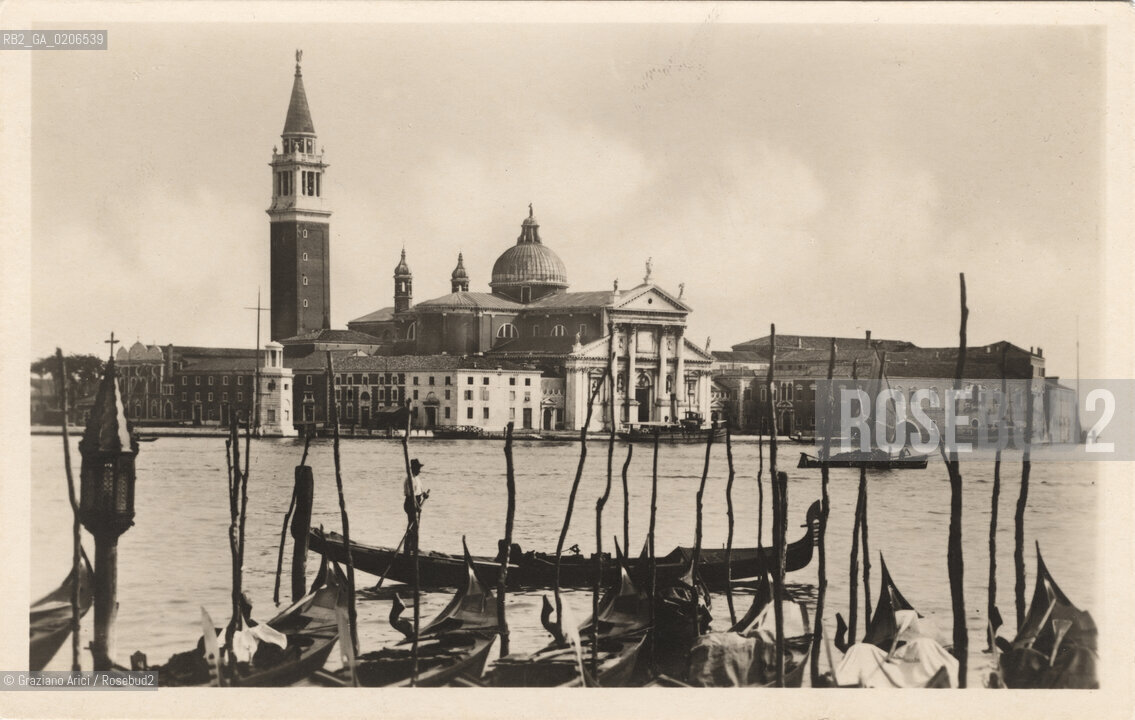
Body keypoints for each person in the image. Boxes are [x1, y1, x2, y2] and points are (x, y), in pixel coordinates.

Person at [403, 458, 428, 556]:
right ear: (413, 469)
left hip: (416, 502)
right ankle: (407, 549)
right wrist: (417, 506)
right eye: (418, 468)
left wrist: (424, 494)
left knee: (415, 526)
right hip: (410, 503)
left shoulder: (417, 478)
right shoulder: (410, 479)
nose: (420, 471)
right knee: (412, 526)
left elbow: (420, 491)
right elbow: (411, 495)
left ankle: (413, 547)